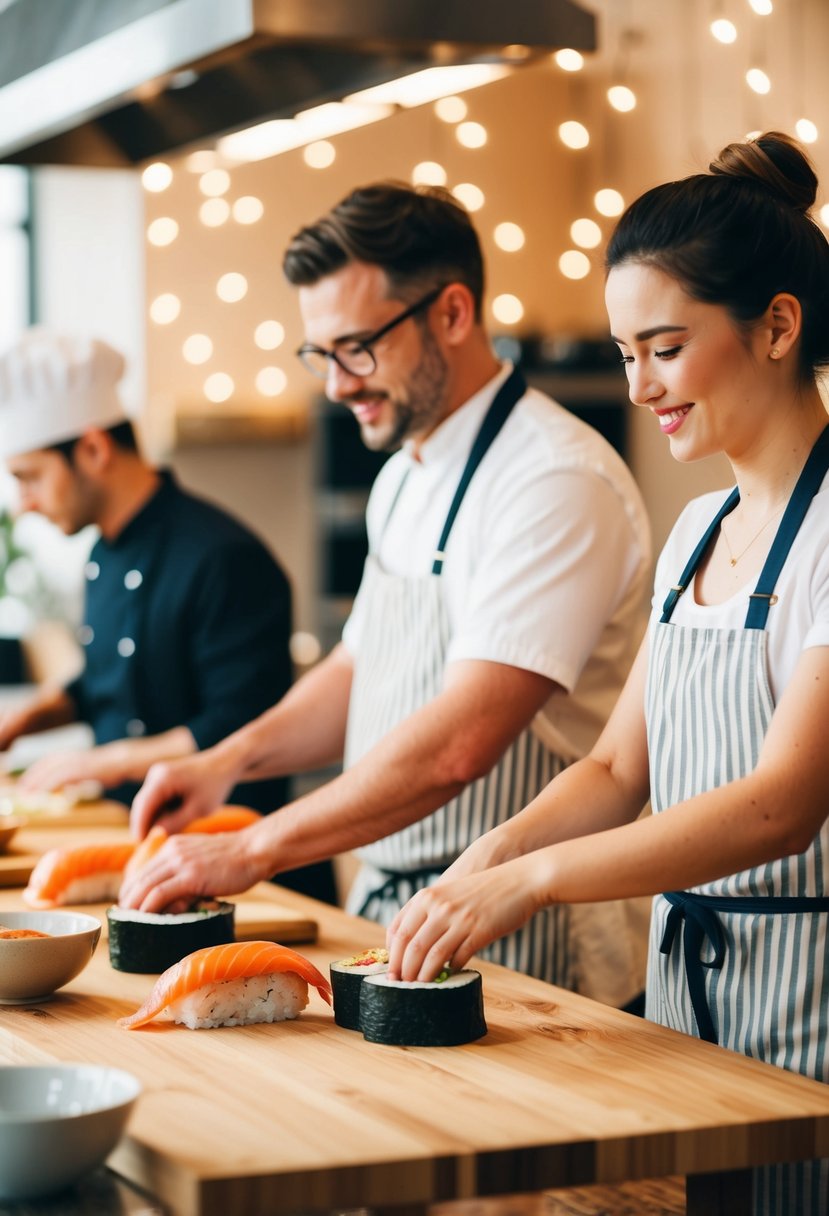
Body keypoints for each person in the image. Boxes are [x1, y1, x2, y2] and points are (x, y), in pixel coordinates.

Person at [384, 133, 829, 1214]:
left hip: (809, 1016)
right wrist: (488, 858)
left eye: (664, 347)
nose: (638, 386)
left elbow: (781, 803)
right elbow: (618, 766)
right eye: (626, 352)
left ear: (776, 325)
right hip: (687, 1017)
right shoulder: (694, 535)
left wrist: (532, 882)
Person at [122, 182, 652, 1007]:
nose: (335, 384)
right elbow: (359, 669)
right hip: (395, 899)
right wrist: (223, 764)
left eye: (355, 348)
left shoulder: (553, 479)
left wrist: (254, 847)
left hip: (526, 922)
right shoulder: (404, 472)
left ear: (450, 312)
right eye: (319, 354)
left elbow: (459, 745)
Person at [0, 329, 336, 903]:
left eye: (29, 477)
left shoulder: (223, 557)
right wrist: (26, 720)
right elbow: (111, 681)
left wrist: (100, 761)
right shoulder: (101, 555)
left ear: (94, 451)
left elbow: (238, 725)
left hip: (244, 870)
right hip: (135, 848)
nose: (23, 503)